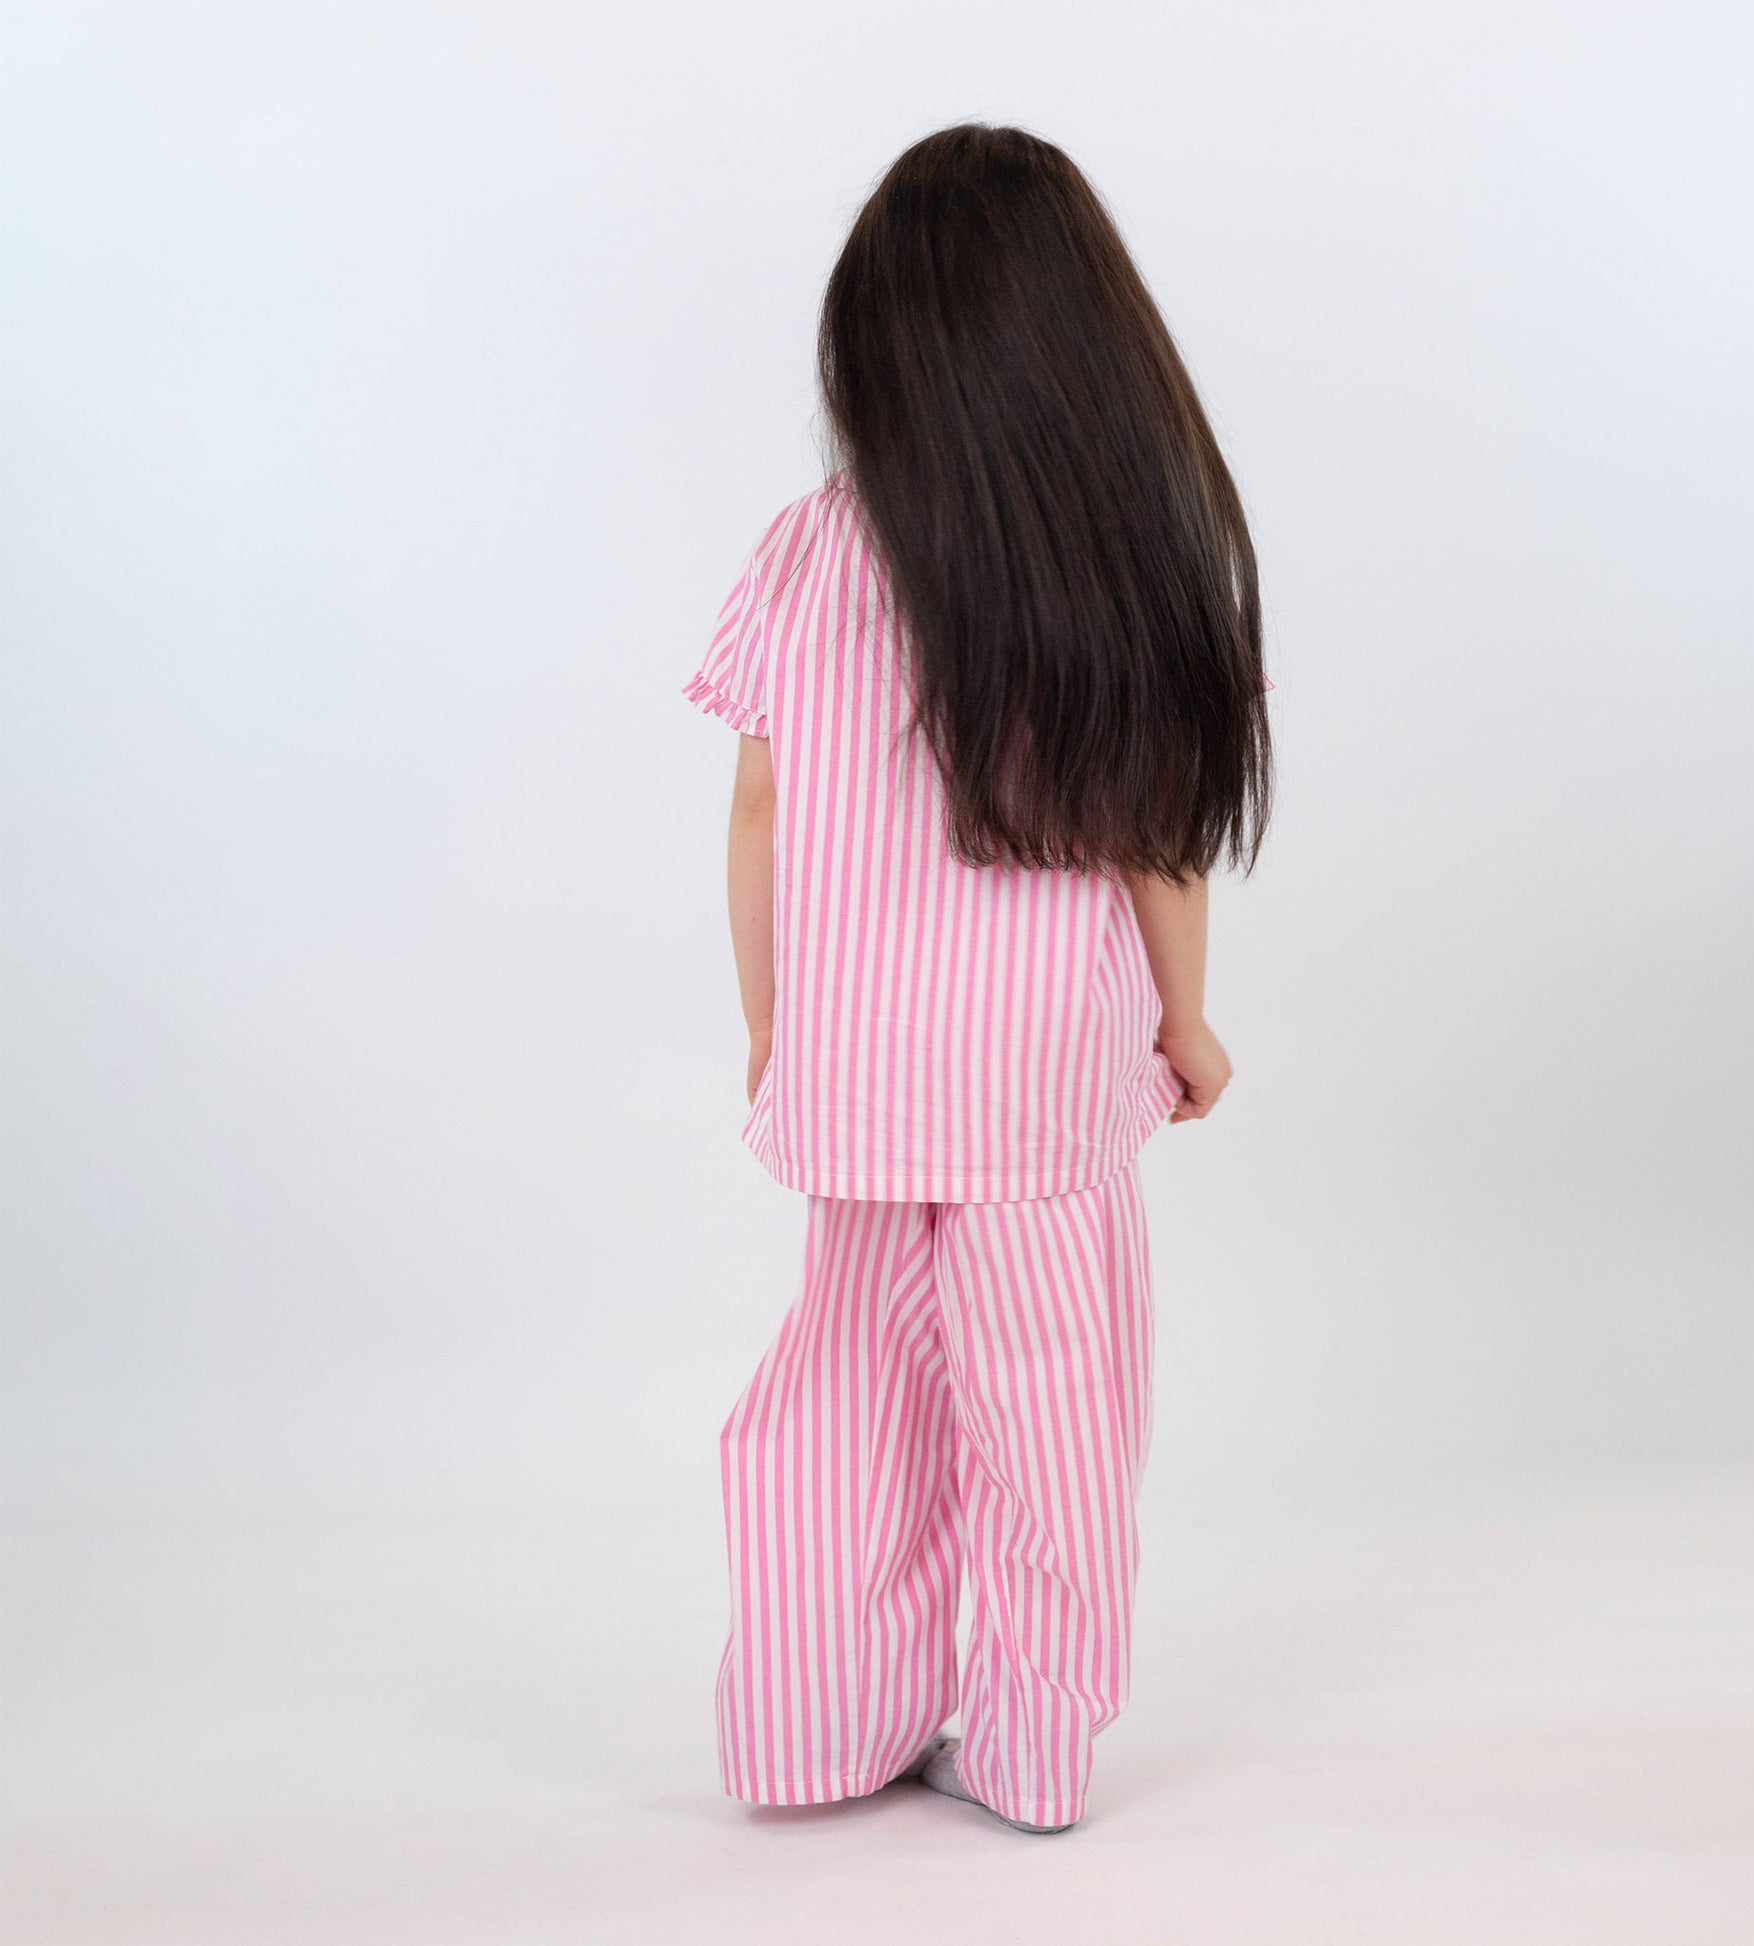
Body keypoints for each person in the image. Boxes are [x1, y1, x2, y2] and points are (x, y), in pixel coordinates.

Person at [680, 122, 1273, 1837]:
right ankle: (1026, 1751)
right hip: (1041, 1092)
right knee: (1057, 1421)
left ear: (874, 352)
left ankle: (810, 1730)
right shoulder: (1111, 556)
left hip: (861, 1074)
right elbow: (1159, 833)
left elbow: (762, 805)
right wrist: (1182, 1021)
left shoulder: (808, 549)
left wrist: (774, 1026)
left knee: (838, 1402)